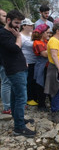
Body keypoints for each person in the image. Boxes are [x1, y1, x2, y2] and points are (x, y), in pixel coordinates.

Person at [0, 9, 36, 137]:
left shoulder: (12, 33)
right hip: (14, 70)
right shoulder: (3, 34)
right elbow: (15, 48)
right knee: (22, 98)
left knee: (15, 96)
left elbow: (18, 52)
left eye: (20, 23)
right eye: (16, 23)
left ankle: (18, 120)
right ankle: (19, 127)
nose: (18, 26)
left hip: (20, 68)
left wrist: (24, 61)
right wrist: (19, 36)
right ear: (8, 20)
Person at [32, 24, 51, 112]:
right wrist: (54, 50)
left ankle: (45, 103)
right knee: (41, 85)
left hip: (47, 65)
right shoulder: (37, 42)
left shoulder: (46, 42)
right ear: (42, 33)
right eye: (47, 32)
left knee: (47, 84)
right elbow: (44, 54)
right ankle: (41, 105)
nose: (49, 34)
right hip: (41, 66)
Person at [20, 18, 38, 106]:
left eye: (32, 25)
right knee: (28, 81)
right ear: (23, 26)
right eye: (29, 25)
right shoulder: (20, 36)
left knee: (34, 79)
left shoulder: (32, 34)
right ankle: (29, 98)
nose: (31, 26)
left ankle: (34, 96)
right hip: (27, 61)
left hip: (35, 60)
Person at [0, 8, 12, 114]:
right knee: (6, 82)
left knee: (9, 82)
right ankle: (7, 107)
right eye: (3, 16)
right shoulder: (1, 31)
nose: (6, 18)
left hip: (9, 61)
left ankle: (10, 104)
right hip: (3, 61)